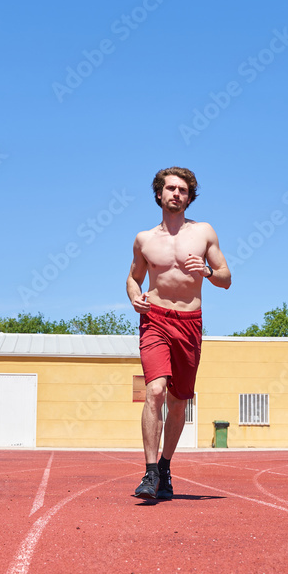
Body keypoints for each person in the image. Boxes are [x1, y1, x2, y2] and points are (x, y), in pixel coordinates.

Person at [126, 167, 231, 499]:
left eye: (182, 190)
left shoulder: (204, 232)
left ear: (189, 197)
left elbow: (226, 278)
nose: (176, 194)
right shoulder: (144, 239)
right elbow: (133, 279)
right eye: (170, 188)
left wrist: (208, 271)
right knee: (155, 391)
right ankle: (149, 472)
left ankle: (165, 465)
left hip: (189, 322)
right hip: (155, 319)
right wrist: (134, 297)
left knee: (178, 400)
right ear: (159, 194)